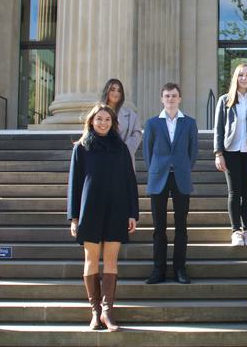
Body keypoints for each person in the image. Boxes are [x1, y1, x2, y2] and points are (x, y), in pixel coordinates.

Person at [68, 104, 139, 332]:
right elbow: (74, 185)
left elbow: (130, 182)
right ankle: (95, 313)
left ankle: (108, 313)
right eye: (99, 119)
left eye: (107, 119)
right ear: (91, 121)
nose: (103, 123)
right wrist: (74, 218)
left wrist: (132, 214)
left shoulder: (120, 149)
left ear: (113, 123)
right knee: (91, 259)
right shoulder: (81, 148)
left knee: (111, 260)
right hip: (90, 211)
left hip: (116, 209)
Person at [143, 82, 199, 285]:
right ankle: (159, 269)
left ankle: (179, 269)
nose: (170, 99)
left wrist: (183, 167)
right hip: (158, 177)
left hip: (181, 177)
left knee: (181, 226)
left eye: (174, 95)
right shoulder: (152, 123)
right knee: (159, 227)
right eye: (167, 96)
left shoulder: (190, 123)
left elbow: (193, 152)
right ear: (161, 99)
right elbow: (147, 153)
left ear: (180, 98)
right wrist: (158, 169)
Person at [213, 63, 247, 246]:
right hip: (231, 151)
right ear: (236, 77)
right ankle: (236, 231)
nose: (244, 78)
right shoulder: (225, 100)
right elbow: (219, 128)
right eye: (241, 75)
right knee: (234, 192)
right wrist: (218, 153)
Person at [100, 78, 142, 166]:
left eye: (119, 91)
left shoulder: (131, 115)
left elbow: (137, 134)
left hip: (122, 161)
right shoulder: (97, 113)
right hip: (101, 158)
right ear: (106, 91)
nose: (116, 93)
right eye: (112, 90)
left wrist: (121, 152)